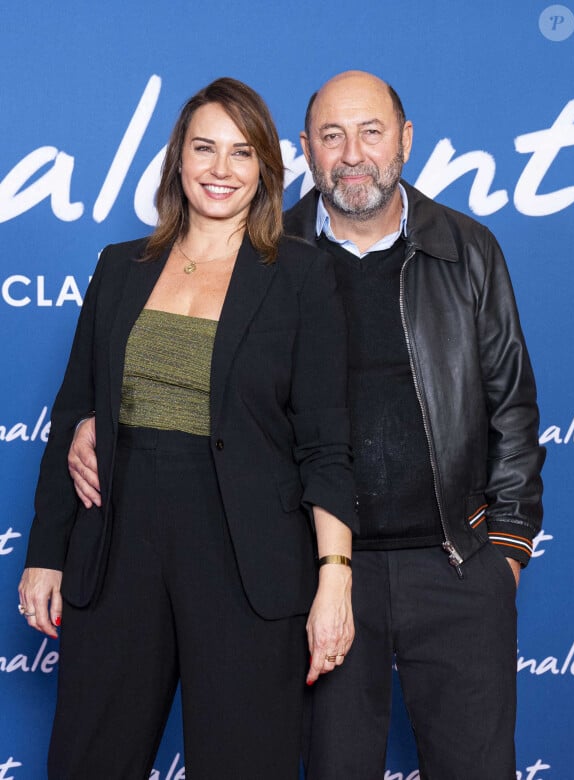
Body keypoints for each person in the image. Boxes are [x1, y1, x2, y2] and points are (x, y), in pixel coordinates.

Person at [66, 70, 546, 779]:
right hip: (315, 569)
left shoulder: (467, 250)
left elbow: (512, 406)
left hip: (452, 561)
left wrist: (503, 550)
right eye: (331, 135)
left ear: (406, 142)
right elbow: (194, 384)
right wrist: (97, 418)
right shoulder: (269, 255)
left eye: (371, 132)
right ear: (304, 151)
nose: (352, 154)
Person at [17, 77, 356, 780]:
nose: (220, 170)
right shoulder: (120, 267)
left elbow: (326, 444)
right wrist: (45, 554)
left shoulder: (301, 275)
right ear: (178, 159)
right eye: (204, 148)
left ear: (265, 167)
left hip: (247, 560)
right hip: (118, 549)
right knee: (88, 762)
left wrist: (334, 580)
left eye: (241, 152)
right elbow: (72, 411)